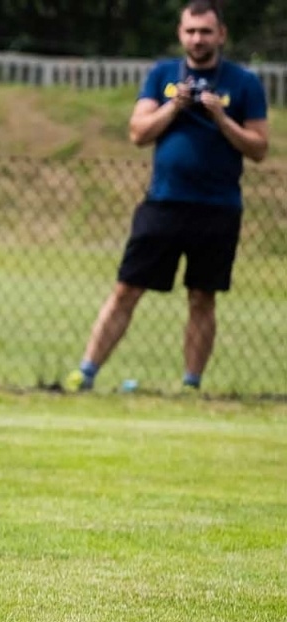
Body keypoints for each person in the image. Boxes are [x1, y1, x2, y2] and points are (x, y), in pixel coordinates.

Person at [70, 0, 268, 393]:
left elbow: (259, 148)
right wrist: (174, 105)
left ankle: (191, 384)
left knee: (202, 297)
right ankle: (85, 373)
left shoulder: (243, 83)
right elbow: (138, 132)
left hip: (218, 207)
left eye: (206, 31)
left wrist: (220, 117)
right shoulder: (162, 75)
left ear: (221, 35)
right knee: (127, 287)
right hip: (163, 202)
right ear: (181, 34)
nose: (198, 39)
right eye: (191, 31)